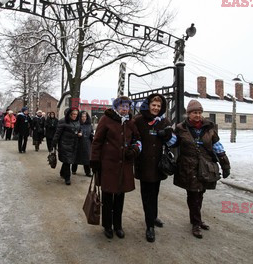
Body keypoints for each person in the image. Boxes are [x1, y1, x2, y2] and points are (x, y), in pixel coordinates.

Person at [174, 99, 231, 239]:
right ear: (188, 114)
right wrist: (166, 136)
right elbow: (173, 143)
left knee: (200, 193)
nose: (197, 115)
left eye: (199, 112)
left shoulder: (209, 128)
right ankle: (196, 223)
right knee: (193, 194)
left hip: (205, 167)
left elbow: (218, 147)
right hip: (188, 166)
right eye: (194, 112)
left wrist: (225, 164)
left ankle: (196, 220)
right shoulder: (181, 128)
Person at [90, 96, 141, 239]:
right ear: (116, 107)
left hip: (124, 166)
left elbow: (137, 139)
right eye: (122, 106)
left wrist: (135, 149)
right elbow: (97, 141)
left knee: (120, 196)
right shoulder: (106, 120)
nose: (125, 109)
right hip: (108, 165)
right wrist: (94, 160)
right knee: (107, 196)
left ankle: (118, 225)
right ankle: (107, 225)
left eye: (127, 107)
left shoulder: (130, 122)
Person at [133, 94, 175, 243]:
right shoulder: (138, 120)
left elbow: (173, 141)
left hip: (158, 164)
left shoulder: (164, 121)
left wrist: (167, 135)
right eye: (153, 105)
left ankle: (153, 216)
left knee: (155, 192)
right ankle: (149, 225)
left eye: (158, 106)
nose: (156, 108)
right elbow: (132, 137)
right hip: (143, 163)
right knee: (146, 194)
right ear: (148, 105)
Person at [52, 108, 81, 185]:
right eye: (73, 114)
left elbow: (79, 129)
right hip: (64, 144)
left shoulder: (77, 121)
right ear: (69, 114)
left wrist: (79, 133)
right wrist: (54, 143)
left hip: (74, 144)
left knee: (67, 160)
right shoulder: (63, 121)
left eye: (76, 114)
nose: (75, 116)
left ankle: (62, 172)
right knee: (68, 161)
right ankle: (67, 178)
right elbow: (57, 133)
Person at [72, 111, 94, 177]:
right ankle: (73, 170)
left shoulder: (89, 125)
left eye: (85, 116)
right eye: (82, 116)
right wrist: (77, 134)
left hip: (87, 144)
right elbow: (73, 132)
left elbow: (91, 133)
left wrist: (92, 135)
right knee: (76, 158)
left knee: (87, 159)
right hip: (78, 143)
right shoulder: (77, 124)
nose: (83, 118)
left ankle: (88, 172)